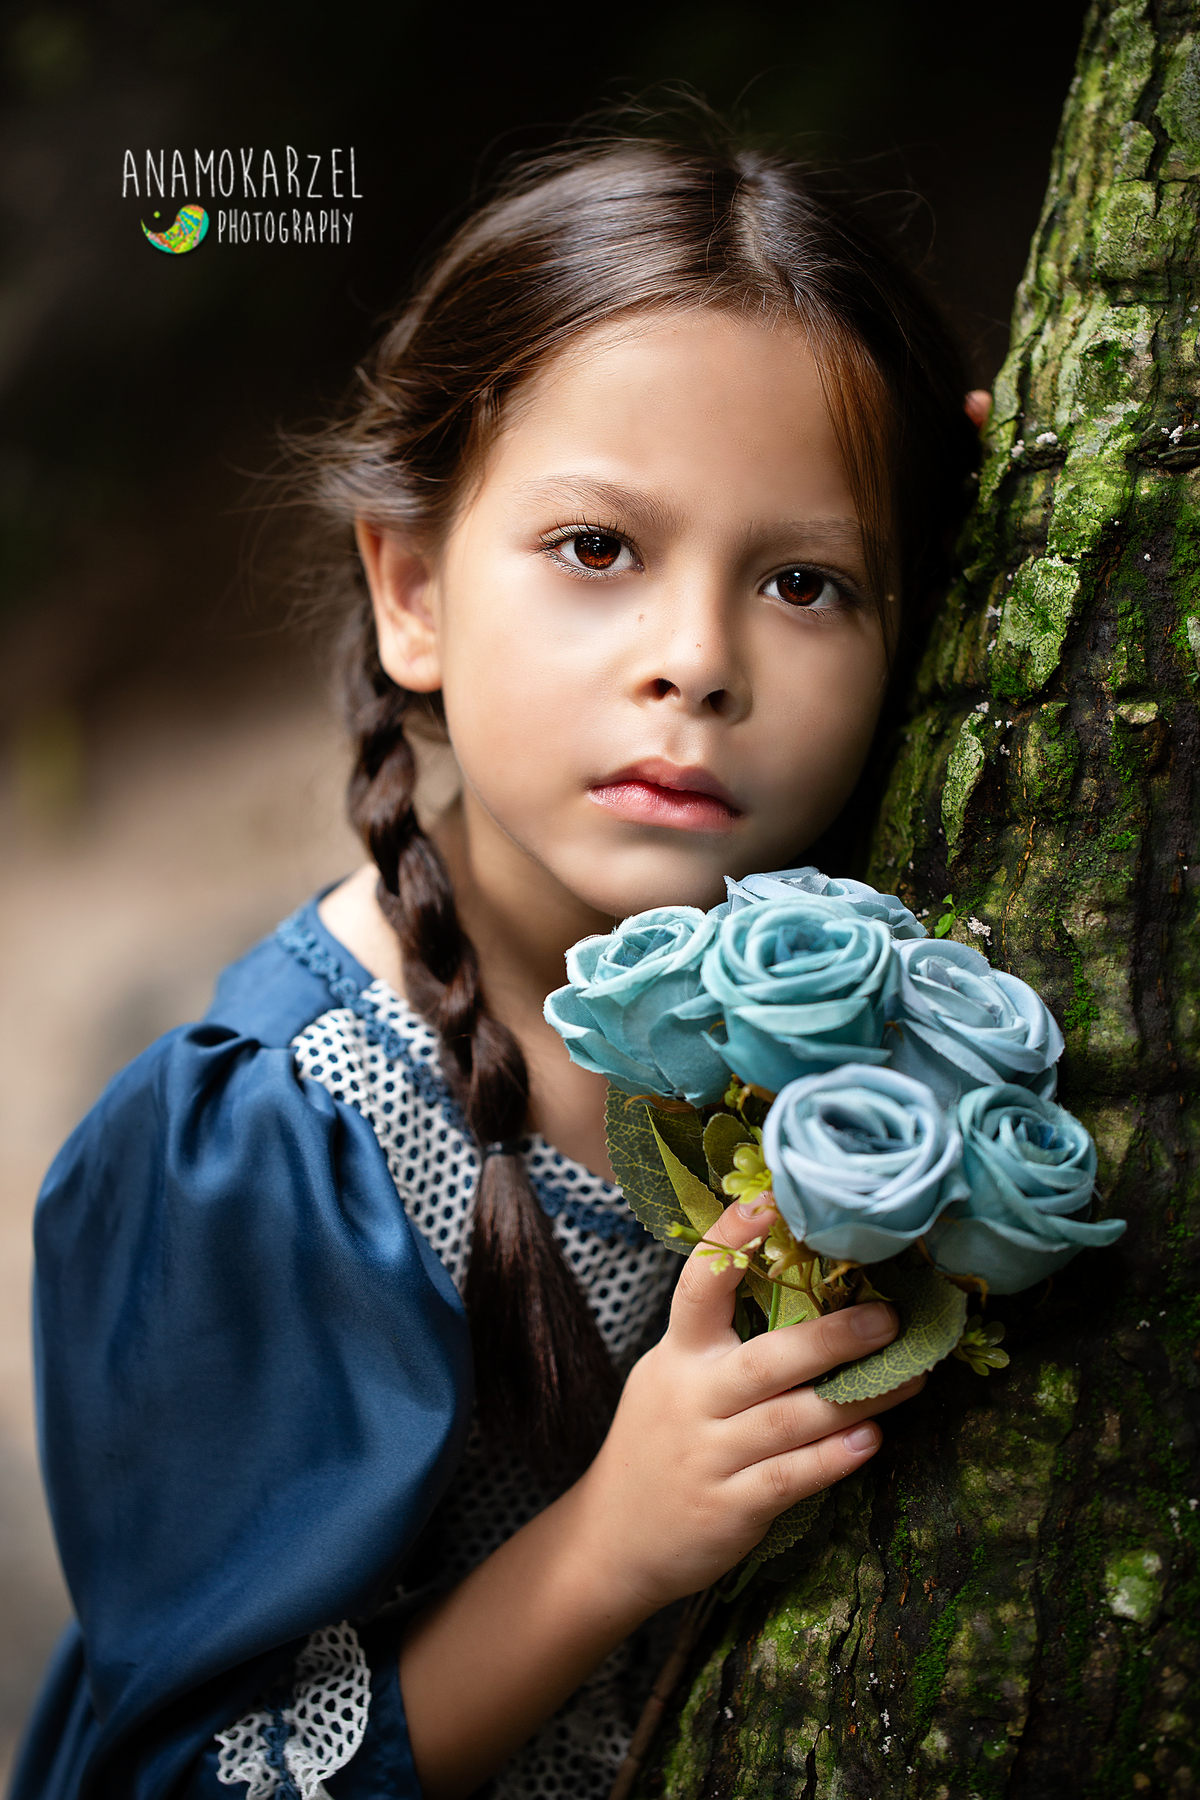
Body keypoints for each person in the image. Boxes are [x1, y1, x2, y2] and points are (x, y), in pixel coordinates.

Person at [11, 122, 984, 1800]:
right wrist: (613, 1541)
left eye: (804, 580)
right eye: (599, 548)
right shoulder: (274, 1144)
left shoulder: (854, 966)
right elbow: (192, 1775)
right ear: (412, 590)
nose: (698, 659)